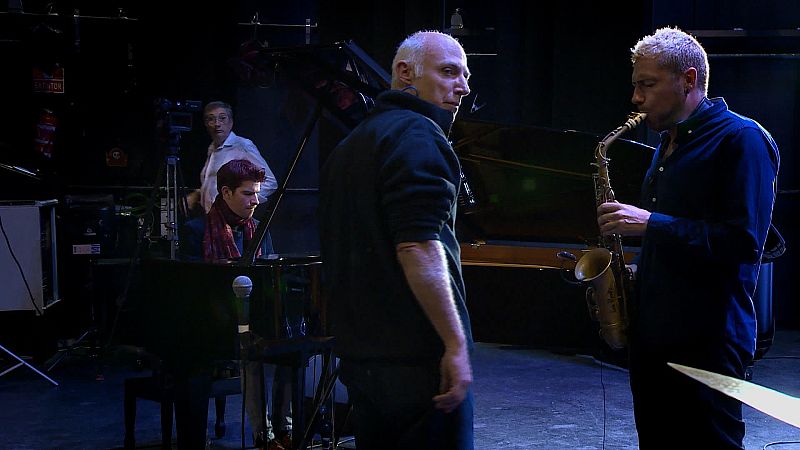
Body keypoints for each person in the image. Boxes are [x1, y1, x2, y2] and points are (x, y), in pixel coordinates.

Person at [597, 27, 779, 449]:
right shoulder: (669, 143)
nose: (636, 98)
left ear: (688, 80)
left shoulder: (742, 139)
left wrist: (652, 224)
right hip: (654, 334)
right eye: (636, 85)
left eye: (647, 85)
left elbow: (746, 242)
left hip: (707, 341)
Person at [319, 30, 474, 449]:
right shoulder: (419, 136)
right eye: (449, 72)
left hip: (361, 358)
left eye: (465, 76)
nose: (462, 88)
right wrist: (455, 344)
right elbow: (417, 247)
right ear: (405, 73)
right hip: (415, 362)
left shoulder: (349, 146)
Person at [180, 159, 291, 450]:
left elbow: (271, 280)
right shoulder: (196, 230)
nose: (255, 201)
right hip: (214, 324)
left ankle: (285, 429)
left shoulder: (260, 229)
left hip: (255, 319)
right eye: (248, 193)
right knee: (250, 349)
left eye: (257, 194)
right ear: (226, 192)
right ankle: (263, 435)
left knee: (293, 346)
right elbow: (192, 290)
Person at [190, 100, 277, 215]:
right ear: (206, 124)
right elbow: (213, 184)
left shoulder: (241, 145)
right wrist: (197, 194)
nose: (217, 124)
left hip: (230, 218)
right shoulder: (212, 148)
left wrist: (242, 202)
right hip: (212, 217)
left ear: (231, 122)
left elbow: (270, 182)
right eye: (211, 119)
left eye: (222, 118)